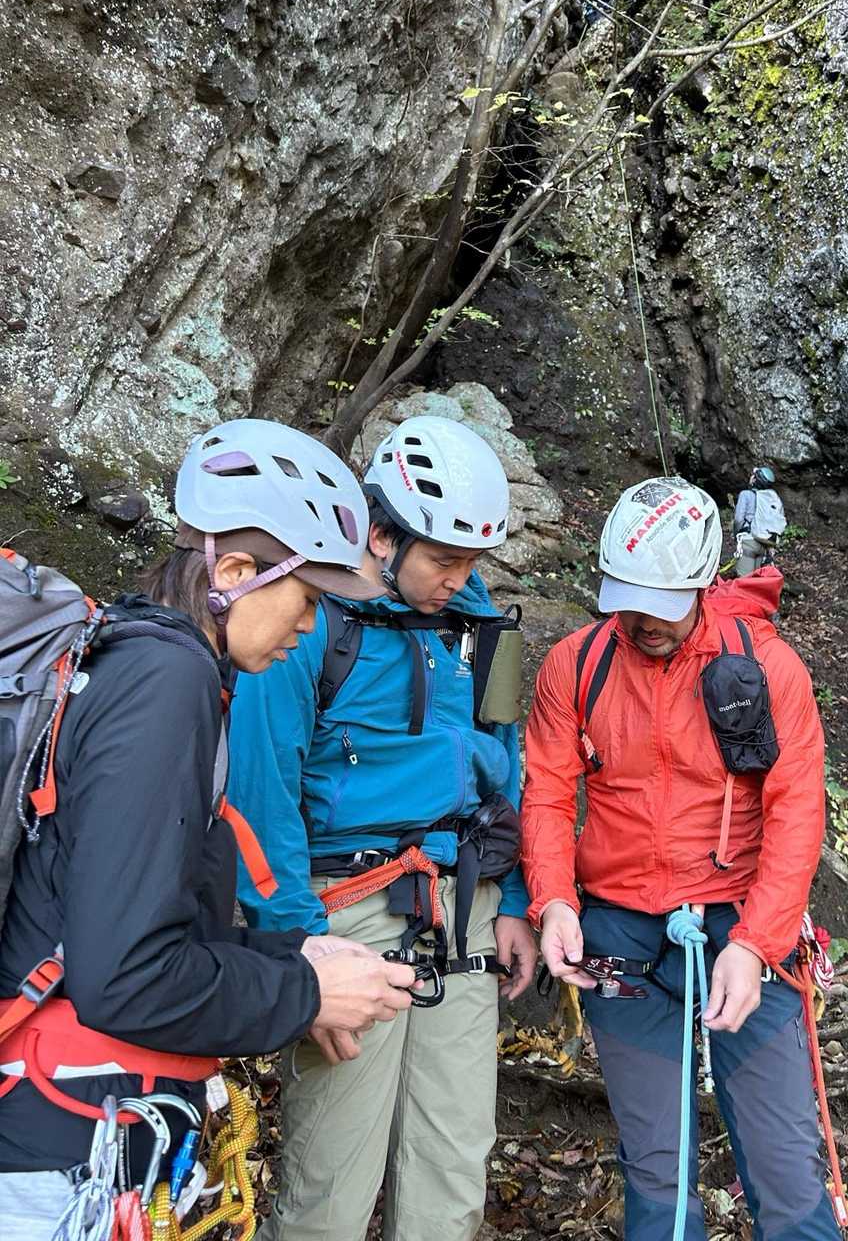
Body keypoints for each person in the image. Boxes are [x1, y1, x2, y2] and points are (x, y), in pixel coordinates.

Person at [0, 418, 420, 1239]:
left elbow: (120, 919)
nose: (311, 627)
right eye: (308, 599)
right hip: (68, 1158)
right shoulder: (168, 680)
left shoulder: (129, 660)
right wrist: (306, 994)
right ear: (233, 572)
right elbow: (128, 979)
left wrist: (293, 955)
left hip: (66, 1130)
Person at [226, 414, 538, 1241]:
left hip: (462, 899)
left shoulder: (479, 623)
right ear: (381, 535)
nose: (459, 579)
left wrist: (513, 900)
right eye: (444, 559)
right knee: (330, 1182)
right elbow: (259, 793)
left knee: (453, 1166)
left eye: (472, 561)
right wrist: (299, 946)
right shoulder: (308, 621)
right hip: (346, 905)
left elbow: (507, 763)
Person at [521, 476, 841, 1241]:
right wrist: (555, 900)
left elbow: (796, 813)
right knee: (657, 1172)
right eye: (627, 600)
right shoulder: (577, 665)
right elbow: (547, 793)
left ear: (701, 583)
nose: (642, 621)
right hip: (619, 932)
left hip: (741, 921)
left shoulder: (767, 669)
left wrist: (756, 945)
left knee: (786, 1168)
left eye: (661, 603)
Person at [733, 465, 787, 576]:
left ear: (755, 480)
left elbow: (738, 519)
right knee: (755, 580)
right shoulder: (771, 499)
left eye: (753, 476)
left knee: (744, 580)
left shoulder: (746, 494)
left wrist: (736, 534)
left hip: (748, 541)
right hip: (762, 544)